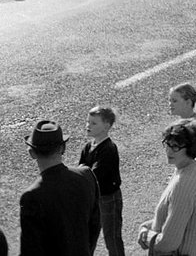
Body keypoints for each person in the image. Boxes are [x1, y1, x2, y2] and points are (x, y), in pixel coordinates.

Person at [19, 119, 100, 256]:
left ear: (31, 153)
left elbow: (31, 250)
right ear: (63, 148)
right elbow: (95, 226)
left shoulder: (31, 196)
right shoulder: (86, 176)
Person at [138, 120, 196, 256]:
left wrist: (145, 235)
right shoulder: (195, 168)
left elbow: (168, 243)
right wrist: (149, 225)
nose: (169, 150)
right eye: (167, 144)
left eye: (176, 147)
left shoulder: (184, 183)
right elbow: (175, 219)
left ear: (190, 148)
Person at [79, 105, 125, 256]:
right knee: (88, 235)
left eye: (93, 123)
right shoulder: (88, 146)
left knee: (112, 237)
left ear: (106, 126)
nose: (88, 126)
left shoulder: (109, 149)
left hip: (108, 199)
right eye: (88, 122)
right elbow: (81, 167)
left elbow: (93, 174)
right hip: (94, 199)